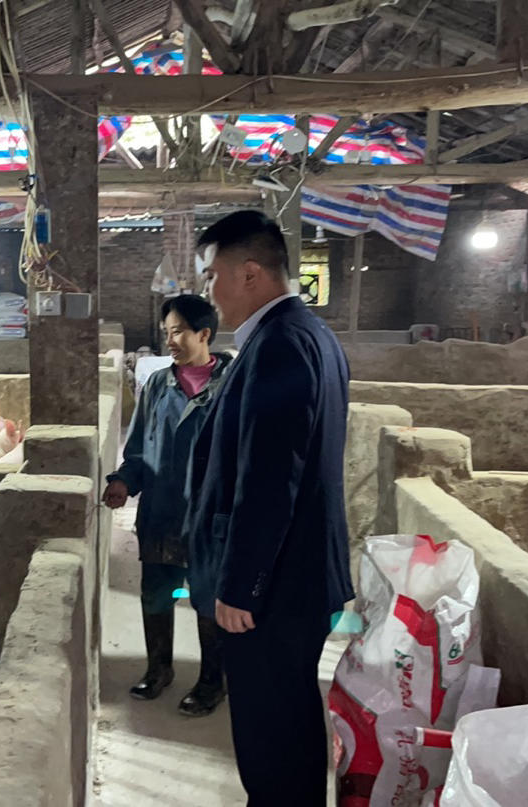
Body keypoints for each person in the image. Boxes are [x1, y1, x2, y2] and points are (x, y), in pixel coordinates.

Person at [184, 211, 354, 804]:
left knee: (268, 734)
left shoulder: (279, 345)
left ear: (250, 273)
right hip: (297, 578)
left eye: (211, 276)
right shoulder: (309, 335)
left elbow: (270, 477)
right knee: (289, 719)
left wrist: (242, 585)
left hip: (275, 588)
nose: (209, 292)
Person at [103, 294, 233, 716]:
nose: (170, 341)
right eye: (167, 333)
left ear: (204, 334)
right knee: (156, 594)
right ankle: (159, 669)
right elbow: (139, 447)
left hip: (210, 516)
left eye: (178, 331)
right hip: (161, 512)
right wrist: (124, 480)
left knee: (208, 600)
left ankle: (212, 682)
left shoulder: (232, 385)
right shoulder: (158, 384)